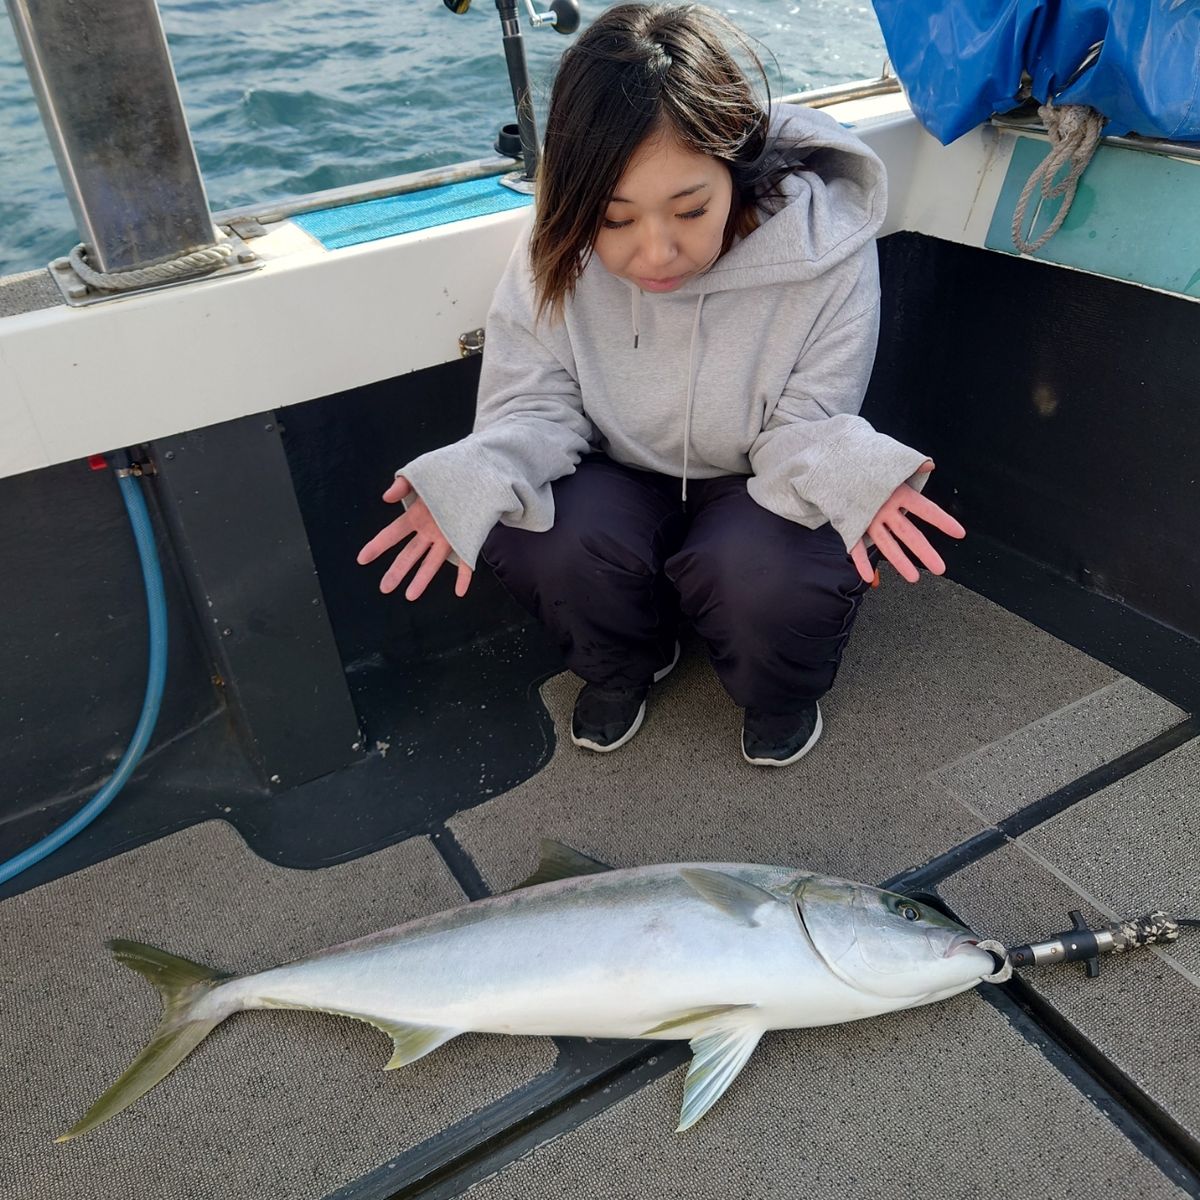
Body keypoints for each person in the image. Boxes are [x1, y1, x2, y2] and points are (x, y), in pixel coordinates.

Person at [358, 2, 964, 766]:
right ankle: (624, 667)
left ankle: (780, 694)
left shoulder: (826, 244)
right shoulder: (555, 239)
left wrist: (859, 472)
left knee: (768, 573)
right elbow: (537, 400)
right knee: (534, 528)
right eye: (614, 221)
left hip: (760, 477)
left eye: (691, 209)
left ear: (735, 167)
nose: (655, 253)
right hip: (620, 469)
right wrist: (480, 469)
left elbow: (809, 419)